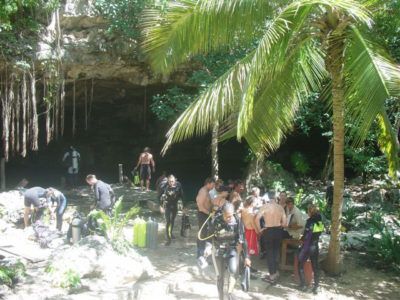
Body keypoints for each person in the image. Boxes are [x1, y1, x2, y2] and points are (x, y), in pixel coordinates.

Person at [203, 203, 251, 300]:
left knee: (233, 271)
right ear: (222, 213)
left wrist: (247, 257)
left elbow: (243, 239)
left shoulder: (237, 221)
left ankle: (229, 293)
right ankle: (221, 297)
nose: (229, 218)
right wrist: (208, 247)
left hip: (232, 249)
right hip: (218, 250)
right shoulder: (215, 220)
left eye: (230, 216)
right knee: (220, 277)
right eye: (226, 216)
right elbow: (209, 238)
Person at [256, 191, 286, 283]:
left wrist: (260, 229)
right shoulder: (280, 208)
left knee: (269, 252)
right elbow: (284, 223)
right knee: (276, 251)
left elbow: (257, 218)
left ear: (268, 198)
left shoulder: (265, 207)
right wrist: (280, 225)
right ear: (276, 197)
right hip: (278, 230)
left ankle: (272, 275)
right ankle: (276, 272)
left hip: (268, 230)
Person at [297, 204, 324, 294]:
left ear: (310, 212)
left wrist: (301, 239)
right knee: (315, 266)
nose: (307, 213)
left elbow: (306, 236)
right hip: (315, 246)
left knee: (300, 265)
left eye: (307, 211)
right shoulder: (319, 221)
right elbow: (318, 234)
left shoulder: (309, 222)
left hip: (307, 246)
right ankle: (316, 286)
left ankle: (303, 284)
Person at [159, 175, 184, 245]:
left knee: (172, 220)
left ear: (175, 181)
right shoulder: (164, 186)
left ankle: (170, 233)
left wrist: (184, 206)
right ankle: (168, 238)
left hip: (174, 206)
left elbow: (182, 196)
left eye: (172, 181)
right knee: (168, 221)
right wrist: (160, 206)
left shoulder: (178, 186)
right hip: (167, 206)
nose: (171, 183)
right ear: (168, 181)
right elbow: (159, 196)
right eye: (169, 181)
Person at [196, 177, 215, 258]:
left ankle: (204, 252)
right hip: (203, 215)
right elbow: (200, 206)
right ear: (208, 183)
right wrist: (209, 213)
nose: (213, 186)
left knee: (207, 233)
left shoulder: (208, 191)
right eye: (212, 184)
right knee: (202, 234)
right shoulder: (203, 191)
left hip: (207, 214)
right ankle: (200, 254)